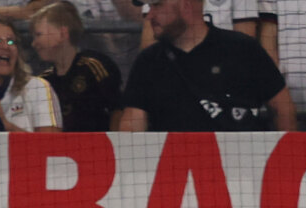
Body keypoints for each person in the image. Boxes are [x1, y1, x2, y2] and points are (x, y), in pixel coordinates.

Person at [120, 0, 296, 131]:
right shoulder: (149, 61)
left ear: (186, 5)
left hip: (240, 164)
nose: (149, 15)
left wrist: (286, 159)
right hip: (174, 165)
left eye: (157, 5)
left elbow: (283, 109)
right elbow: (132, 125)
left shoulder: (243, 49)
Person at [32, 1, 125, 131]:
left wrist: (115, 141)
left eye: (38, 35)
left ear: (63, 34)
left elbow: (118, 110)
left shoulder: (93, 66)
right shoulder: (45, 81)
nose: (34, 43)